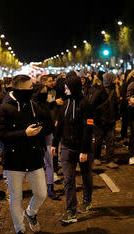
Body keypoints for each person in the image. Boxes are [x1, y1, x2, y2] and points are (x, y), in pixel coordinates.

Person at [0, 75, 47, 234]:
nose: (31, 91)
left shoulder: (33, 105)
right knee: (15, 198)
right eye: (28, 89)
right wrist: (24, 134)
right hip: (14, 160)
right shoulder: (4, 108)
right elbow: (1, 135)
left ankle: (31, 213)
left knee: (41, 193)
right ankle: (20, 230)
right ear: (17, 90)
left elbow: (42, 123)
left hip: (34, 158)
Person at [52, 73, 94, 224]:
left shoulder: (86, 104)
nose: (65, 91)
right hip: (67, 148)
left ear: (74, 88)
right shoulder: (65, 104)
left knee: (86, 176)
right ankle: (71, 211)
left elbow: (88, 129)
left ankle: (87, 200)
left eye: (67, 88)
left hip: (82, 148)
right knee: (68, 180)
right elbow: (59, 124)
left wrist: (84, 150)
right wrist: (54, 144)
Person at [33, 75, 60, 200]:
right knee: (37, 165)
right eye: (43, 92)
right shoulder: (33, 106)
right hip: (37, 138)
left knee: (49, 163)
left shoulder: (44, 104)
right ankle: (39, 189)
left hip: (48, 136)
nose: (45, 94)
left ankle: (50, 188)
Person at [92, 73, 119, 169]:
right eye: (114, 79)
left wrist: (116, 116)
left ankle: (110, 160)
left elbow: (115, 105)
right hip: (100, 121)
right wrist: (96, 118)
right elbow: (92, 105)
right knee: (98, 140)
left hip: (110, 120)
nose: (116, 81)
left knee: (110, 141)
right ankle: (96, 157)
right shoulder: (99, 91)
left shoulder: (113, 91)